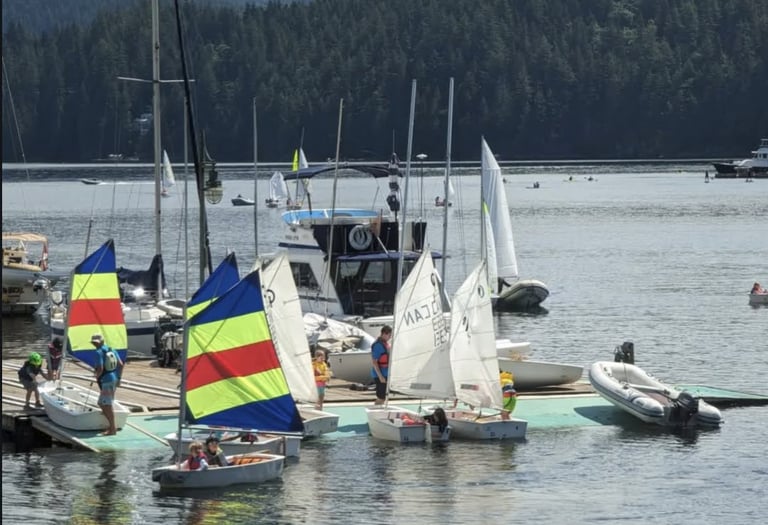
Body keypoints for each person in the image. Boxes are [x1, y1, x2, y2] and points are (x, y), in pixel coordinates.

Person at [91, 333, 124, 436]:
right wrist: (119, 378)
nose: (95, 344)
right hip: (113, 378)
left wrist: (96, 376)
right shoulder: (111, 350)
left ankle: (112, 429)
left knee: (106, 404)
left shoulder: (98, 352)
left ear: (100, 342)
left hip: (106, 380)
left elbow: (100, 368)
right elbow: (120, 364)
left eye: (96, 343)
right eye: (94, 342)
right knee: (102, 403)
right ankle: (111, 425)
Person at [371, 325, 392, 405]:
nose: (390, 337)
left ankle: (378, 410)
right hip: (380, 375)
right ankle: (374, 411)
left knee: (384, 397)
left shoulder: (385, 344)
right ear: (384, 334)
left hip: (385, 373)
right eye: (389, 335)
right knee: (381, 397)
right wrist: (380, 376)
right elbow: (374, 362)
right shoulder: (377, 345)